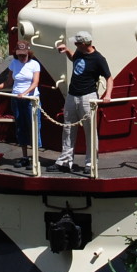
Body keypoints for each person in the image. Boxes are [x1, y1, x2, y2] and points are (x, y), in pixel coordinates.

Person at [55, 31, 111, 172]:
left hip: (88, 96)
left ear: (84, 44)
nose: (74, 44)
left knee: (90, 130)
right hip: (72, 95)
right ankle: (65, 162)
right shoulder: (79, 53)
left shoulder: (98, 59)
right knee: (68, 128)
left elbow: (109, 78)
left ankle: (90, 163)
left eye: (77, 43)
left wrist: (108, 94)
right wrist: (68, 51)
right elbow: (75, 59)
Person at [2, 43, 42, 168]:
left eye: (24, 55)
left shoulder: (34, 64)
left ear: (28, 53)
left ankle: (35, 159)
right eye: (19, 55)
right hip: (16, 99)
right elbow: (9, 82)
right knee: (20, 127)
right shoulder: (14, 63)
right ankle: (25, 157)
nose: (22, 58)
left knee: (34, 127)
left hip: (31, 100)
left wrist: (24, 93)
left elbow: (35, 83)